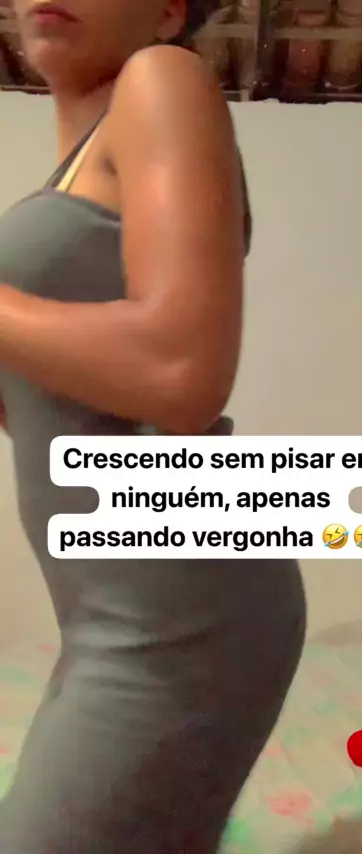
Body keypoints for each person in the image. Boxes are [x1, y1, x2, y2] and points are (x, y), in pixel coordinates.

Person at [0, 2, 306, 852]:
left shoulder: (161, 77)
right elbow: (54, 408)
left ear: (169, 11)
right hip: (107, 607)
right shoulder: (69, 174)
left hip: (179, 609)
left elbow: (182, 371)